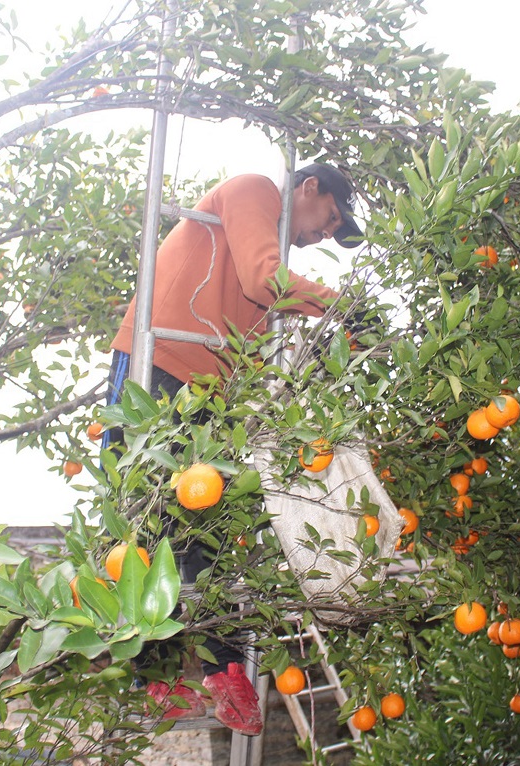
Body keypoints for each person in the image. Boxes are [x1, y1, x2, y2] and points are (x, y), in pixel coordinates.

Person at [103, 163, 364, 735]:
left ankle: (226, 672)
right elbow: (260, 280)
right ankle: (156, 674)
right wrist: (341, 305)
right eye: (330, 221)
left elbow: (260, 322)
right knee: (143, 518)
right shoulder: (256, 191)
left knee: (216, 520)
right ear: (310, 188)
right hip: (160, 363)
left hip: (208, 392)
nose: (322, 235)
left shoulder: (274, 240)